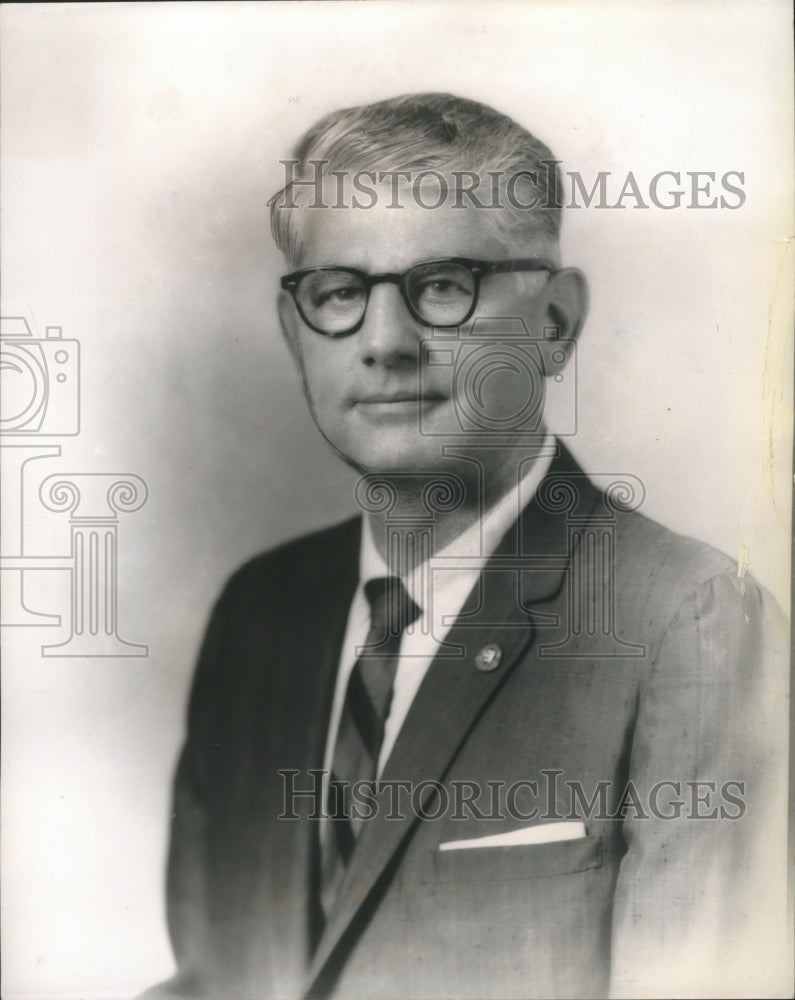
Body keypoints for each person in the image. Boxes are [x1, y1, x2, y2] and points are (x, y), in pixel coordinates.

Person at [142, 93, 788, 1000]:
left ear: (554, 324)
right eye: (339, 293)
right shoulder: (261, 610)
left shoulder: (687, 620)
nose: (384, 343)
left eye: (444, 286)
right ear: (296, 333)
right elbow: (213, 983)